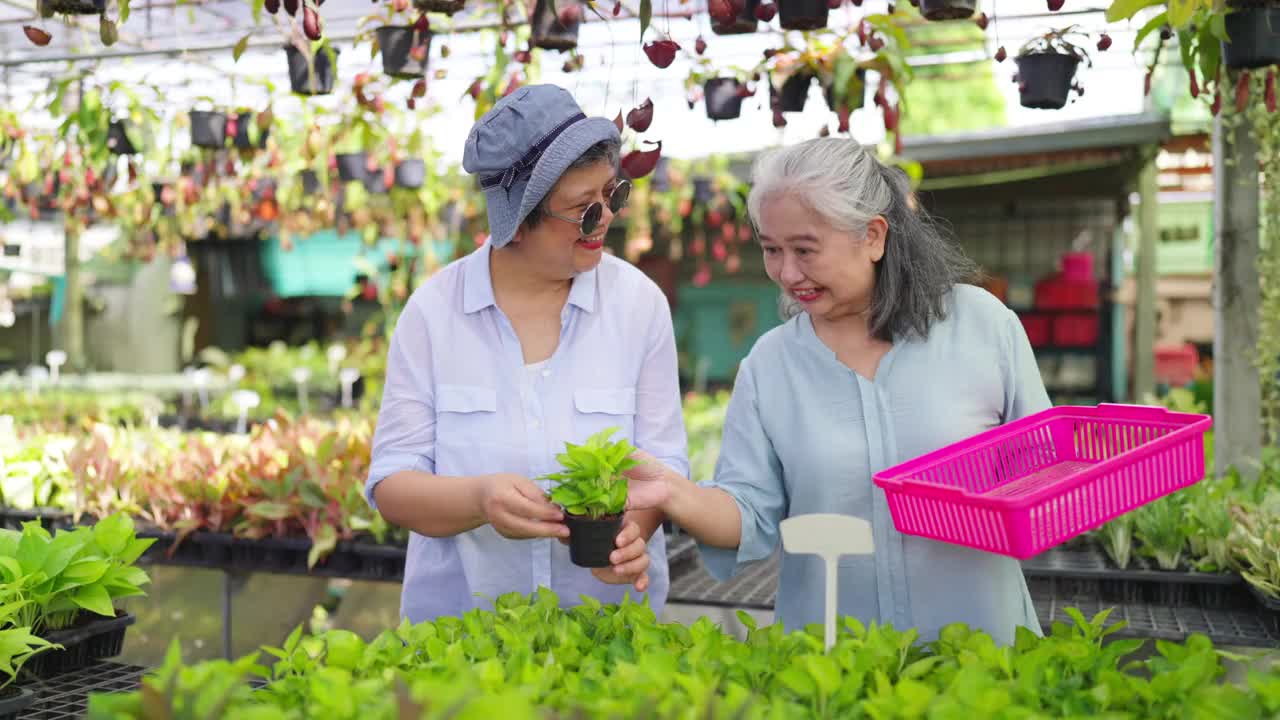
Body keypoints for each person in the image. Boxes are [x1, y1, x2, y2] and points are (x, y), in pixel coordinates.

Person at [628, 138, 1049, 645]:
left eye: (805, 250)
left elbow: (1043, 473)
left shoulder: (982, 326)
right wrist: (673, 491)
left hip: (982, 653)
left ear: (872, 237)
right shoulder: (771, 365)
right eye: (771, 250)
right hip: (833, 663)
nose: (786, 273)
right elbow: (748, 516)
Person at [365, 84, 688, 623]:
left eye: (613, 195)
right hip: (465, 641)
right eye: (583, 211)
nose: (606, 218)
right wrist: (478, 500)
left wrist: (634, 532)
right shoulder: (433, 316)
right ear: (514, 225)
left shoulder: (638, 307)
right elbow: (393, 484)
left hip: (608, 635)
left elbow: (664, 463)